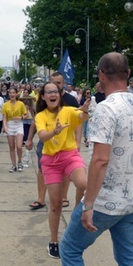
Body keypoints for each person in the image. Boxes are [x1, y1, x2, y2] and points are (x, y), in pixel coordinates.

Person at [45, 52, 133, 266]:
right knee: (127, 256)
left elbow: (100, 160)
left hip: (107, 200)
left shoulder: (105, 109)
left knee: (69, 247)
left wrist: (88, 203)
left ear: (101, 76)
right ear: (127, 74)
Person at [35, 82, 90, 258]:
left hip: (69, 155)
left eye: (55, 91)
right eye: (48, 92)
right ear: (43, 97)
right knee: (56, 204)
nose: (52, 94)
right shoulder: (40, 116)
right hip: (50, 162)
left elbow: (82, 116)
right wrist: (55, 132)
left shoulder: (67, 111)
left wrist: (87, 109)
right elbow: (42, 136)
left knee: (83, 182)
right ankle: (53, 241)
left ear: (59, 95)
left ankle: (76, 214)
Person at [50, 72, 80, 208]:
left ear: (63, 84)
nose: (56, 85)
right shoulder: (46, 99)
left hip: (67, 143)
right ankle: (51, 195)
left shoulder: (71, 100)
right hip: (49, 142)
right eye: (53, 82)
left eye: (59, 82)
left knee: (65, 172)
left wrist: (78, 142)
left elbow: (78, 122)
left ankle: (63, 196)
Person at [2, 86, 26, 172]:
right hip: (10, 125)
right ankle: (13, 165)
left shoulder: (21, 104)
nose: (12, 94)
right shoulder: (5, 105)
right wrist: (5, 126)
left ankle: (20, 162)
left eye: (13, 93)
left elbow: (26, 115)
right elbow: (4, 117)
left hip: (18, 125)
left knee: (19, 146)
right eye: (10, 93)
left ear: (16, 94)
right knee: (11, 146)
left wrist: (21, 118)